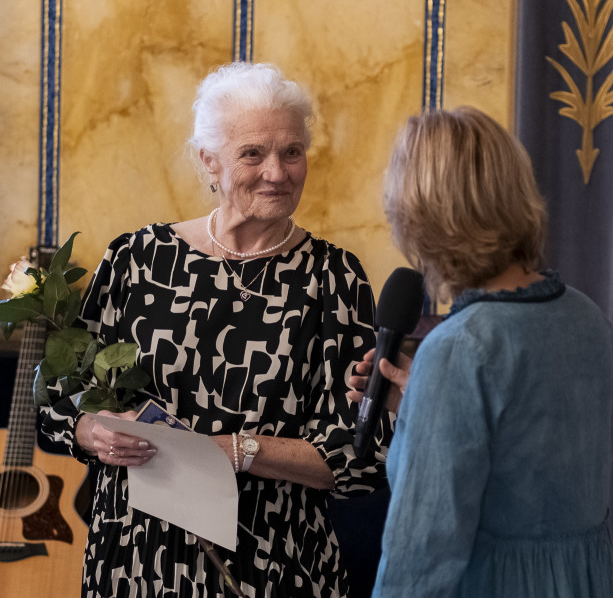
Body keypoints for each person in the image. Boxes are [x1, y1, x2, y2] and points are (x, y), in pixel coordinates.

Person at [38, 62, 392, 597]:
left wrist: (238, 449)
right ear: (209, 161)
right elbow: (60, 400)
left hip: (276, 565)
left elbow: (359, 456)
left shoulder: (334, 279)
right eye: (253, 153)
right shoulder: (138, 259)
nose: (277, 172)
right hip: (136, 561)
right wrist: (94, 432)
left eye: (292, 152)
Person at [350, 106, 613, 596]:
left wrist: (437, 390)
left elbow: (421, 558)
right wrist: (421, 406)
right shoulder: (587, 318)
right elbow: (527, 468)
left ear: (423, 218)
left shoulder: (460, 348)